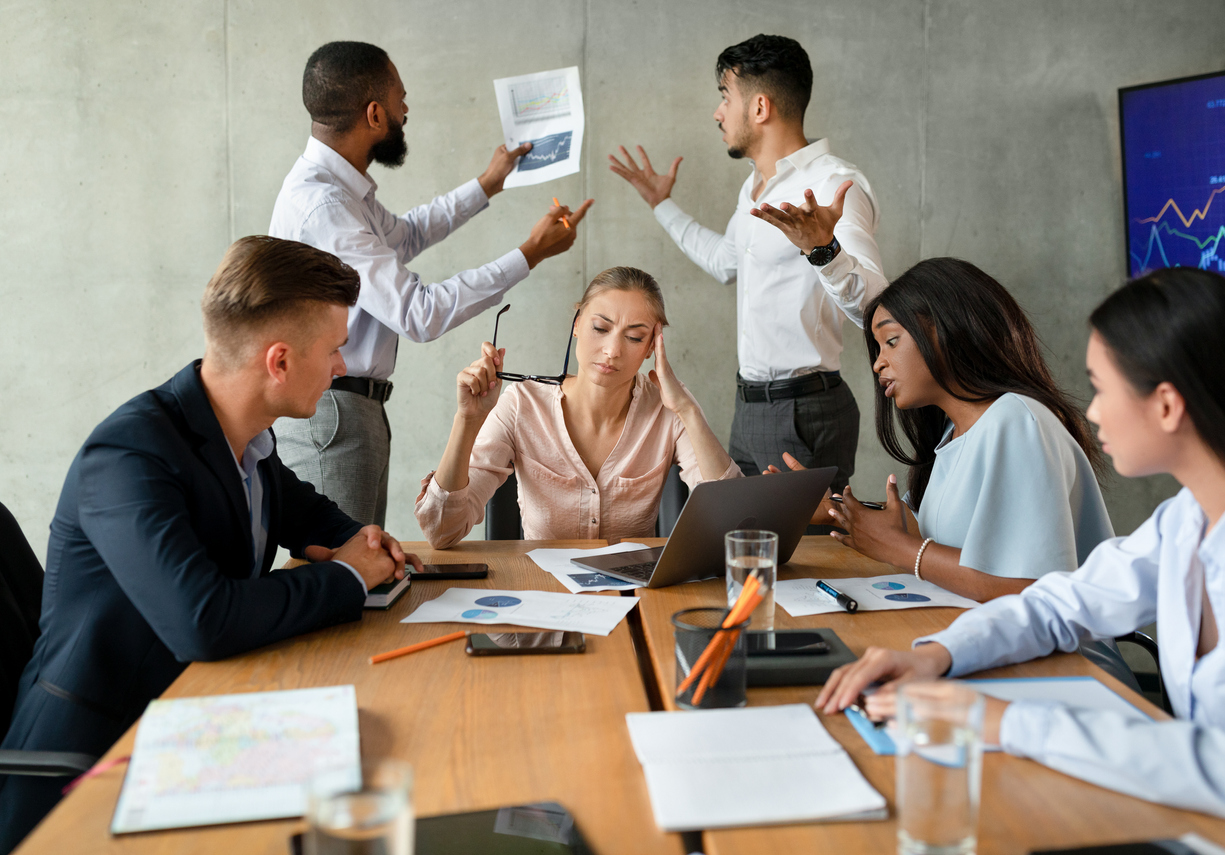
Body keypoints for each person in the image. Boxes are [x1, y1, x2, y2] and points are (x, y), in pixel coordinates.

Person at [0, 237, 420, 853]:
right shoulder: (128, 454)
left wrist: (359, 541)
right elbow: (204, 620)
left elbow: (311, 516)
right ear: (279, 361)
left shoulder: (246, 440)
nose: (341, 367)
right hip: (94, 761)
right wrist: (348, 578)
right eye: (335, 350)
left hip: (193, 719)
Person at [816, 267, 1225, 817]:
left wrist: (1005, 722)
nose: (1091, 411)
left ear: (1168, 405)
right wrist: (934, 657)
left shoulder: (1019, 420)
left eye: (1102, 389)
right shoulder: (1181, 523)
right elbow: (1059, 602)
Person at [270, 41, 593, 526]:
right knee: (344, 571)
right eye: (400, 99)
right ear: (375, 114)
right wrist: (530, 254)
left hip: (350, 413)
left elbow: (408, 234)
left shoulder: (339, 192)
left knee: (357, 571)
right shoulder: (326, 207)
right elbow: (419, 314)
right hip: (334, 417)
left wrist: (488, 182)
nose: (407, 110)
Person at [608, 34, 887, 489]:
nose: (718, 112)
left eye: (725, 97)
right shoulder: (757, 186)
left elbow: (877, 310)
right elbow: (725, 261)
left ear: (759, 108)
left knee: (805, 559)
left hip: (804, 410)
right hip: (749, 406)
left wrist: (823, 250)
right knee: (748, 554)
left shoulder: (835, 184)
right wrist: (663, 205)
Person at [811, 257, 1113, 603]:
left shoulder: (1016, 422)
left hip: (1055, 656)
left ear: (945, 330)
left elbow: (1029, 591)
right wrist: (835, 508)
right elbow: (929, 526)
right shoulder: (956, 431)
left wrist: (903, 551)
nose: (878, 363)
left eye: (891, 341)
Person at [415, 267, 742, 546]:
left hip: (632, 598)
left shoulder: (670, 407)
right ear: (576, 324)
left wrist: (687, 409)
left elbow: (733, 525)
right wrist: (467, 420)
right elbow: (442, 532)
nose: (612, 350)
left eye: (634, 337)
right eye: (600, 329)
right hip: (543, 596)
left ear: (650, 348)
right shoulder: (521, 405)